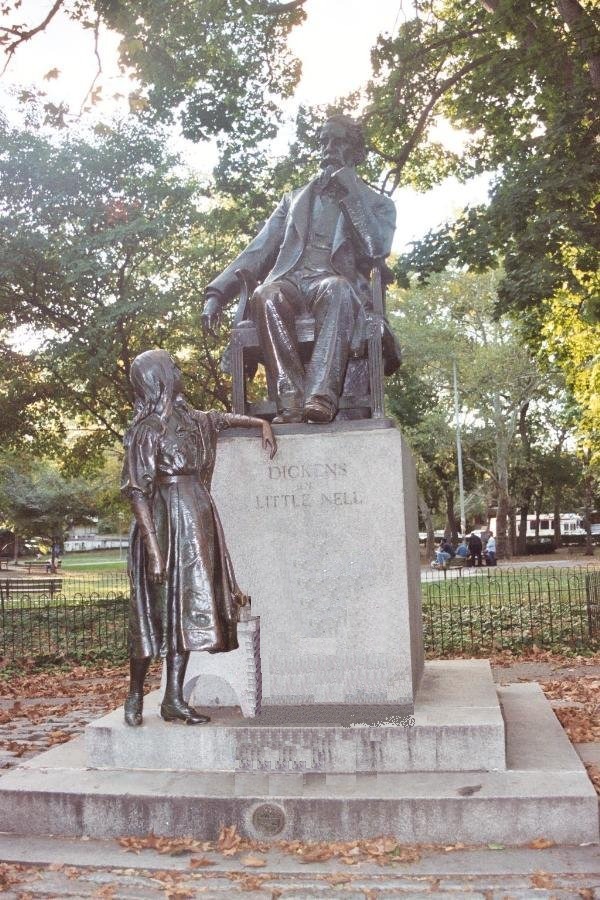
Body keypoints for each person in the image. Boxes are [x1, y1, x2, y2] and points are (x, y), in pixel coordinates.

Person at [201, 114, 399, 424]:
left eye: (338, 141)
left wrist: (350, 193)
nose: (328, 148)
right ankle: (289, 398)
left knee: (336, 288)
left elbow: (376, 248)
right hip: (293, 280)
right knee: (266, 295)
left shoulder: (377, 204)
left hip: (335, 284)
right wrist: (216, 293)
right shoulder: (294, 200)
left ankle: (321, 396)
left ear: (356, 152)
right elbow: (257, 249)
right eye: (324, 142)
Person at [121, 349, 277, 727]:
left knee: (185, 613)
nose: (179, 369)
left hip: (196, 519)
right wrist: (155, 552)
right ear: (159, 377)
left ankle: (173, 697)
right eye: (172, 365)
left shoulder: (191, 418)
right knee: (153, 613)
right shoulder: (147, 430)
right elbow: (137, 491)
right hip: (163, 521)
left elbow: (221, 419)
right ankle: (135, 692)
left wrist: (260, 424)